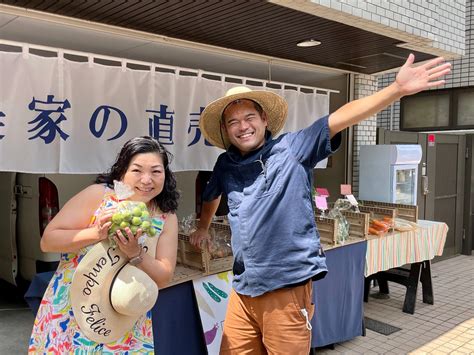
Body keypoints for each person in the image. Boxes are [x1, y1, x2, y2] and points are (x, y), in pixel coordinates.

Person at [190, 54, 451, 354]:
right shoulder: (226, 163)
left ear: (264, 120)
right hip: (244, 286)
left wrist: (395, 90)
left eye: (249, 117)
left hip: (286, 287)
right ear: (225, 130)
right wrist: (202, 227)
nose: (243, 126)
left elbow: (339, 118)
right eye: (233, 122)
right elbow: (212, 194)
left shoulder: (292, 148)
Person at [28, 136, 179, 353]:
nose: (147, 179)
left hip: (123, 318)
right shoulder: (99, 196)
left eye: (156, 171)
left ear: (166, 175)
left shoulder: (166, 217)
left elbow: (164, 278)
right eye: (137, 170)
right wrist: (96, 233)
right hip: (73, 310)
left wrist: (135, 253)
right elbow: (48, 241)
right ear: (122, 172)